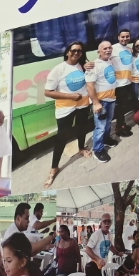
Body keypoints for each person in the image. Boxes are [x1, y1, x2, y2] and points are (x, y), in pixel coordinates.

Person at [41, 42, 93, 186]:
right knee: (62, 137)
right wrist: (70, 96)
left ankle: (81, 148)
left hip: (83, 103)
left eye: (79, 51)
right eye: (73, 50)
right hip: (65, 108)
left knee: (82, 128)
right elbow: (47, 92)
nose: (76, 53)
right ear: (67, 52)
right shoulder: (59, 69)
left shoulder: (82, 65)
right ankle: (54, 168)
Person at [86, 40, 118, 162]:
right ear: (98, 52)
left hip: (111, 99)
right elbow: (89, 86)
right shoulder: (94, 65)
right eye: (105, 48)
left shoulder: (109, 61)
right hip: (102, 102)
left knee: (108, 122)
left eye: (110, 48)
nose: (108, 50)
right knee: (100, 127)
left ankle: (106, 140)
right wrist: (96, 103)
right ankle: (98, 150)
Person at [112, 28, 137, 138]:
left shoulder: (128, 49)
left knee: (124, 105)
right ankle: (119, 127)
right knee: (120, 107)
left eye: (127, 36)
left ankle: (122, 124)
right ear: (118, 37)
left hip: (128, 82)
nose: (125, 38)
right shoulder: (113, 48)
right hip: (119, 84)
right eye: (122, 36)